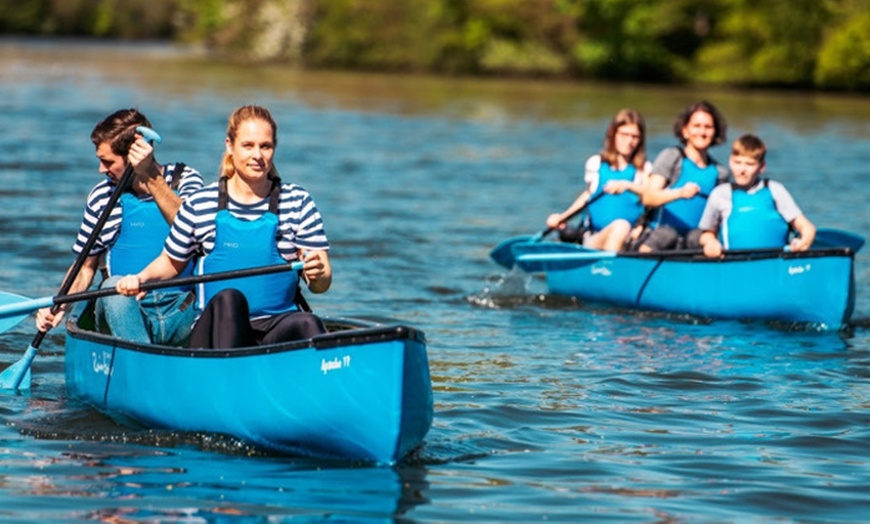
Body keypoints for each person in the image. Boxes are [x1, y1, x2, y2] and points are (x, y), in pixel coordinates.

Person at [115, 105, 332, 349]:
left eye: (266, 146)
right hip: (214, 329)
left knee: (308, 323)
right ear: (230, 145)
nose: (258, 155)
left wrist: (318, 274)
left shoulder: (298, 201)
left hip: (276, 325)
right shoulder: (200, 203)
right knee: (230, 299)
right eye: (248, 145)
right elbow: (171, 262)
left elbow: (321, 284)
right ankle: (228, 378)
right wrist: (140, 278)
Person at [36, 109, 204, 345]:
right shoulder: (102, 197)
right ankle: (143, 362)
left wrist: (149, 176)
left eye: (108, 162)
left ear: (135, 155)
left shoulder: (186, 180)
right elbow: (85, 268)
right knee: (113, 287)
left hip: (181, 310)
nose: (101, 170)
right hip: (124, 310)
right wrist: (59, 305)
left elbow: (191, 229)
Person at [545, 109, 651, 251]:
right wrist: (562, 217)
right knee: (620, 226)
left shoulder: (645, 169)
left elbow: (651, 196)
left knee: (623, 227)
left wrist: (628, 186)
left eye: (635, 137)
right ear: (613, 133)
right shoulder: (596, 164)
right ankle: (608, 268)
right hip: (595, 238)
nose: (629, 141)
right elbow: (588, 196)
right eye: (624, 135)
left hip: (631, 240)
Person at [697, 134, 816, 258]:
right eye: (737, 162)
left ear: (762, 167)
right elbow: (706, 234)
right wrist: (710, 242)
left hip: (777, 264)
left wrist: (804, 242)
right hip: (734, 265)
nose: (742, 170)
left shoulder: (775, 190)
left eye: (749, 164)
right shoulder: (720, 194)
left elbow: (806, 227)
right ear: (730, 161)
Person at [636, 101, 730, 252]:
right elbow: (649, 197)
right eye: (696, 126)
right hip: (660, 235)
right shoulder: (672, 157)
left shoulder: (720, 172)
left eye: (708, 127)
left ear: (715, 133)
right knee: (668, 235)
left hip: (694, 241)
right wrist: (679, 193)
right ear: (685, 130)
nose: (702, 132)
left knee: (701, 238)